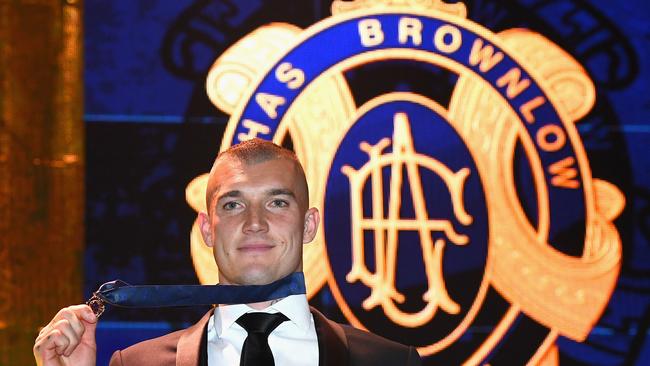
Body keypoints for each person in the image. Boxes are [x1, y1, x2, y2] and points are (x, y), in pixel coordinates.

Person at [34, 138, 422, 366]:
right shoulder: (136, 365)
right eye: (233, 205)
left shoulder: (392, 362)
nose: (255, 223)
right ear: (206, 228)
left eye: (277, 203)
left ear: (309, 225)